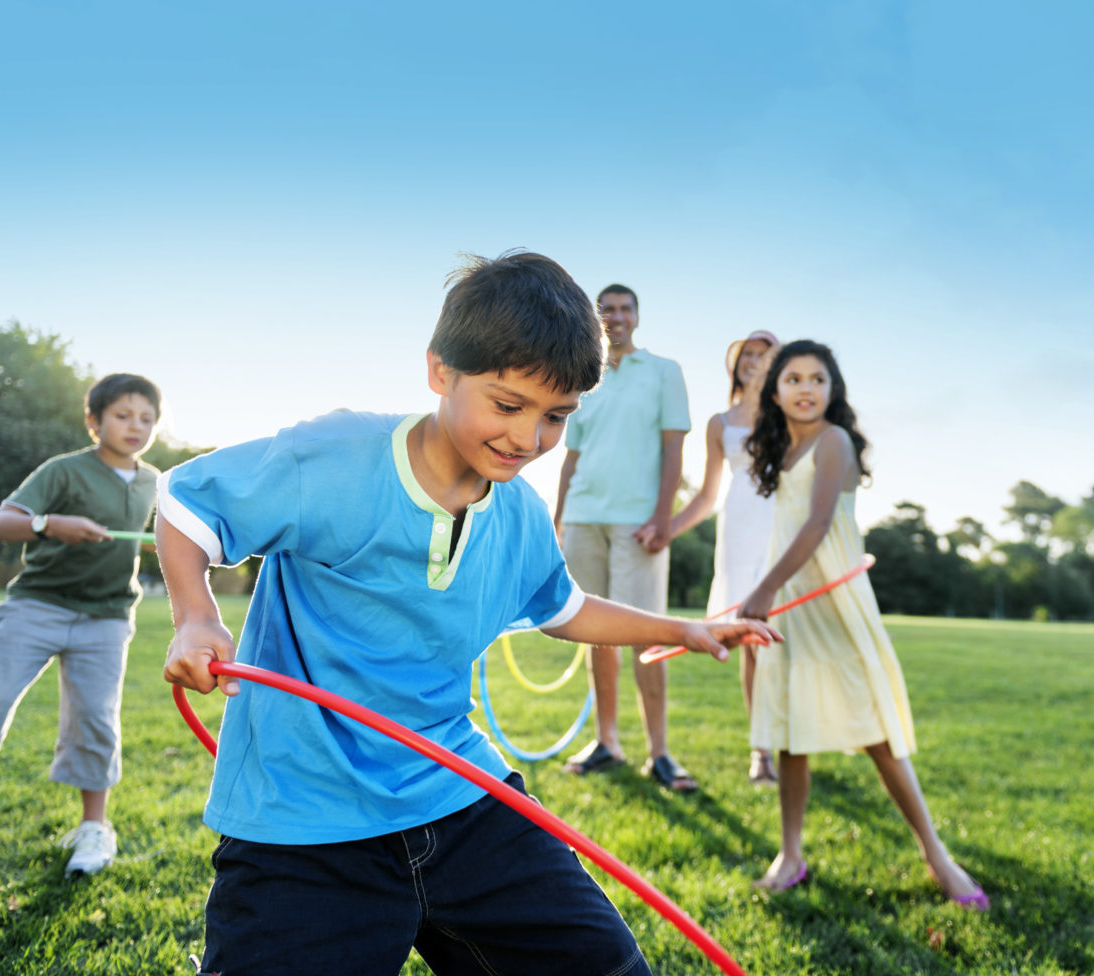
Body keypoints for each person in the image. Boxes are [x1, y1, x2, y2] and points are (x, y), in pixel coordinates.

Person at [157, 253, 779, 976]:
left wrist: (684, 629)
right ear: (440, 372)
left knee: (608, 966)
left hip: (457, 792)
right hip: (303, 816)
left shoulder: (516, 511)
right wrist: (196, 616)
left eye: (557, 417)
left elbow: (566, 608)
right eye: (508, 405)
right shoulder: (334, 456)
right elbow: (189, 506)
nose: (528, 439)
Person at [738, 340, 987, 909]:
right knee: (791, 735)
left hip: (836, 608)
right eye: (794, 378)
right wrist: (771, 590)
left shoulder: (834, 442)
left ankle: (937, 855)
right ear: (775, 390)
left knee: (877, 735)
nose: (805, 388)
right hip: (792, 610)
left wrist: (764, 587)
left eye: (817, 379)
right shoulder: (783, 453)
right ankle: (791, 854)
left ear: (833, 390)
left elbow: (820, 523)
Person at [0, 373, 164, 876]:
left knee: (96, 719)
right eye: (123, 415)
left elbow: (173, 537)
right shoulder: (63, 471)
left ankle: (94, 828)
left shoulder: (153, 482)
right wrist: (50, 524)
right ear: (94, 421)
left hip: (108, 617)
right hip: (38, 607)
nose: (136, 426)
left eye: (147, 418)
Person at [554, 284, 698, 792]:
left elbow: (673, 449)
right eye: (607, 310)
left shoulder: (664, 372)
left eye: (624, 308)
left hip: (638, 521)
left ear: (637, 316)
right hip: (585, 515)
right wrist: (559, 518)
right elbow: (570, 457)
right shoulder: (582, 378)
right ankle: (607, 742)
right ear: (597, 319)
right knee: (596, 632)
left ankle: (659, 753)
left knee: (647, 636)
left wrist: (664, 515)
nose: (616, 317)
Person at [669, 329, 780, 785]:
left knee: (793, 641)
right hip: (739, 530)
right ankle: (762, 751)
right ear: (735, 366)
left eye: (764, 354)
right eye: (747, 355)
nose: (754, 361)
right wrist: (667, 530)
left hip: (781, 527)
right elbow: (707, 494)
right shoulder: (720, 422)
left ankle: (797, 741)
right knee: (754, 643)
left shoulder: (792, 415)